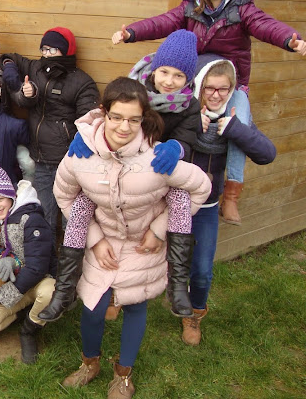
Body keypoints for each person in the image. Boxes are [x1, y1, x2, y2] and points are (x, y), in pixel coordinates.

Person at [111, 0, 306, 224]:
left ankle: (232, 193)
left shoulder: (242, 9)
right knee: (189, 122)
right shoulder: (190, 7)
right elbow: (163, 22)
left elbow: (266, 26)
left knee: (240, 123)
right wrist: (131, 32)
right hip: (197, 80)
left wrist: (289, 40)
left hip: (230, 81)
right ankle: (174, 185)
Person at [48, 78, 211, 398]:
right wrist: (95, 238)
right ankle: (89, 363)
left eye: (134, 120)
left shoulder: (156, 159)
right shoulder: (81, 155)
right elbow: (64, 194)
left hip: (142, 244)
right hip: (103, 242)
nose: (124, 127)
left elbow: (200, 187)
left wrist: (159, 230)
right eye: (116, 117)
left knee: (136, 306)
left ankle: (123, 374)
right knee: (93, 307)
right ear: (103, 113)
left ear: (143, 119)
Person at [68, 29, 203, 318]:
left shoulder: (189, 106)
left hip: (160, 171)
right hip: (121, 164)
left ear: (188, 79)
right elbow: (106, 112)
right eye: (164, 71)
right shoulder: (136, 89)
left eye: (179, 76)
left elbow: (189, 137)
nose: (169, 81)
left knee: (180, 201)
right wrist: (85, 132)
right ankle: (66, 286)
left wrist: (176, 147)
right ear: (154, 69)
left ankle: (178, 283)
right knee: (84, 206)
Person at [182, 54, 276, 345]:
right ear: (200, 86)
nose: (216, 95)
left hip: (207, 205)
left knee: (201, 271)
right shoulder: (185, 109)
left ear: (232, 89)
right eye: (210, 88)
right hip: (173, 200)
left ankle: (195, 314)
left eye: (223, 89)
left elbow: (267, 154)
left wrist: (235, 129)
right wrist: (190, 124)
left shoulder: (236, 117)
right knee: (145, 254)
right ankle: (123, 298)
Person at [0, 27, 100, 237]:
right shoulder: (36, 68)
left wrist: (79, 146)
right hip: (42, 158)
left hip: (69, 162)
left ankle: (71, 254)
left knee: (71, 218)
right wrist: (13, 78)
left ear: (66, 51)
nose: (47, 54)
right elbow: (9, 57)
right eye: (44, 49)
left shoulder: (82, 82)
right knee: (44, 215)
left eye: (53, 50)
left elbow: (89, 120)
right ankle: (46, 254)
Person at [0, 160, 56, 365]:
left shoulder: (31, 219)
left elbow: (37, 267)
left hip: (39, 280)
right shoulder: (0, 220)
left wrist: (7, 294)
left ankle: (30, 328)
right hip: (16, 281)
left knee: (49, 293)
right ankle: (22, 312)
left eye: (0, 199)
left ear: (10, 195)